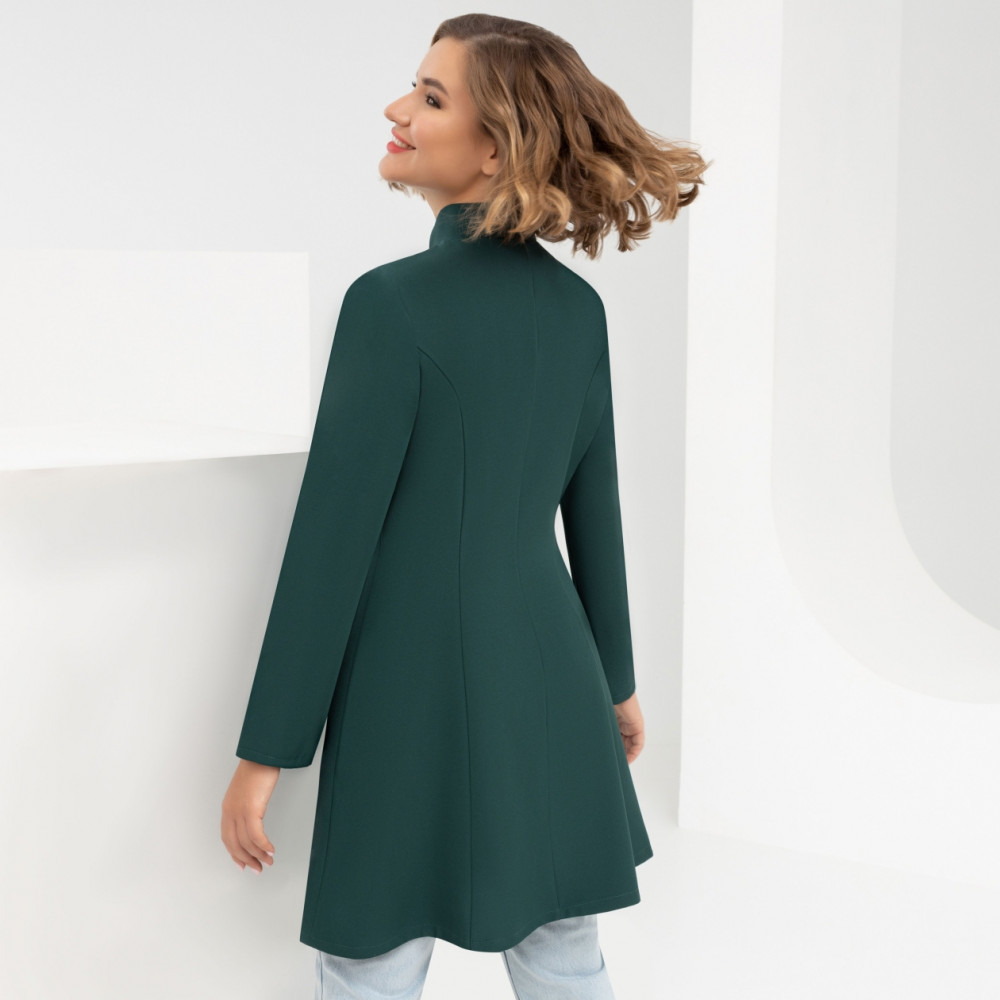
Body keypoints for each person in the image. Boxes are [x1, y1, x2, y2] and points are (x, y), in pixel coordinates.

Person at [221, 13, 709, 1000]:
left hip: (408, 686)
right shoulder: (578, 311)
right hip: (552, 676)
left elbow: (331, 544)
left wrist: (266, 752)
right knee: (564, 951)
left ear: (495, 149)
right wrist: (614, 681)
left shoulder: (390, 304)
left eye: (430, 96)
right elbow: (596, 510)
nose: (397, 109)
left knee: (370, 958)